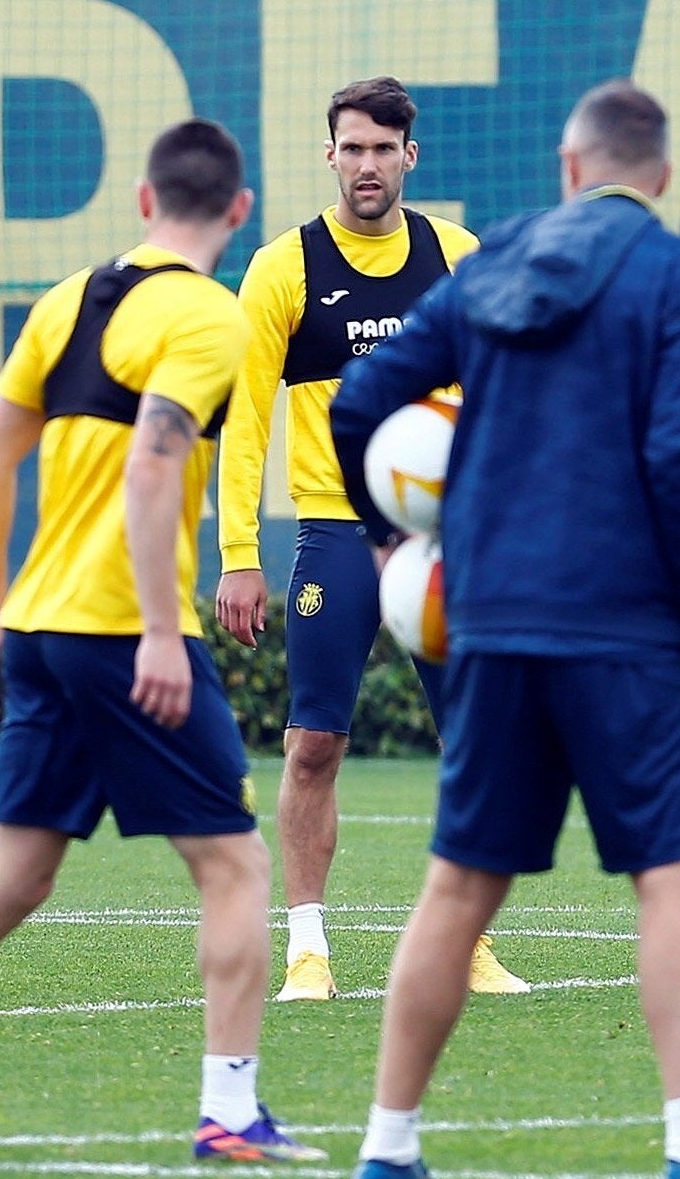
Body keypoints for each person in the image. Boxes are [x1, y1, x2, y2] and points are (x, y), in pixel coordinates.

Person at [329, 79, 680, 1179]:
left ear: (568, 165)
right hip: (619, 635)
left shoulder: (492, 259)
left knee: (458, 886)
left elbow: (360, 402)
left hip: (491, 627)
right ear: (659, 178)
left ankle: (388, 1148)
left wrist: (392, 538)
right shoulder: (678, 276)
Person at [0, 120, 322, 1166]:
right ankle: (230, 1114)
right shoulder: (211, 320)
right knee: (234, 867)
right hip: (122, 632)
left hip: (45, 627)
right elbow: (150, 469)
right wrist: (159, 632)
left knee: (15, 871)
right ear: (237, 210)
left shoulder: (69, 298)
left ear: (142, 201)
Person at [213, 76, 527, 1003]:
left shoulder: (459, 259)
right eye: (351, 148)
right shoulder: (283, 267)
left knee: (474, 736)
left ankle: (469, 942)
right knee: (313, 744)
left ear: (409, 158)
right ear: (329, 155)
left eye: (383, 149)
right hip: (337, 538)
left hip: (442, 542)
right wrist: (238, 553)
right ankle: (308, 948)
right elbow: (242, 420)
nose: (367, 165)